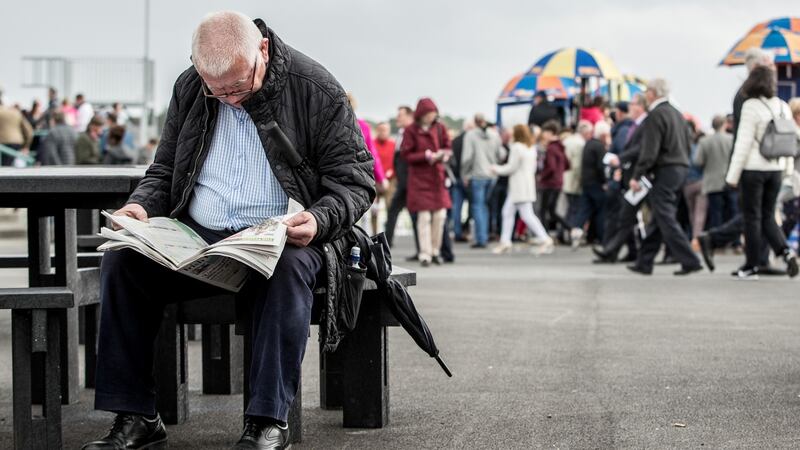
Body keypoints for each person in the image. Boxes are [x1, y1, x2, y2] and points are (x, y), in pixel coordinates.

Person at [81, 12, 375, 450]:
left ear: (262, 50)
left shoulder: (315, 88)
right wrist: (141, 207)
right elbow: (165, 169)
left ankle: (266, 422)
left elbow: (355, 181)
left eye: (238, 87)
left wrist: (317, 220)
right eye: (216, 91)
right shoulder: (190, 87)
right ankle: (136, 416)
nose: (230, 99)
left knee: (288, 268)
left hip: (287, 233)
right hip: (200, 232)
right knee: (122, 260)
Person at [724, 66, 800, 280]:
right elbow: (790, 139)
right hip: (776, 169)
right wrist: (785, 168)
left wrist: (732, 176)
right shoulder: (783, 106)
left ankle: (751, 265)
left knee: (752, 218)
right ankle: (785, 252)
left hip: (753, 169)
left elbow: (743, 143)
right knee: (768, 216)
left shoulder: (751, 106)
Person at [628, 78, 703, 276]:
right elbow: (688, 143)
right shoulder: (677, 114)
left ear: (652, 93)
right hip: (680, 168)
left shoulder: (656, 115)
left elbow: (649, 150)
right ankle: (644, 261)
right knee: (660, 216)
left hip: (666, 169)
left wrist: (638, 174)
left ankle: (690, 260)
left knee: (664, 215)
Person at [593, 93, 649, 263]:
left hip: (636, 177)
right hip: (630, 176)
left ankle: (613, 250)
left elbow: (638, 150)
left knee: (624, 216)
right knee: (626, 216)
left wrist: (619, 160)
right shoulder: (630, 127)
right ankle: (621, 251)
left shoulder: (630, 128)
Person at [401, 97, 452, 266]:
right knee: (423, 218)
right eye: (429, 113)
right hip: (420, 179)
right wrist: (426, 155)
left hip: (437, 177)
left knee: (440, 216)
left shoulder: (440, 128)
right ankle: (425, 253)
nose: (432, 116)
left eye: (434, 113)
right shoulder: (410, 130)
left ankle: (436, 251)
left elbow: (448, 146)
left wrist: (443, 154)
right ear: (422, 114)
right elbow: (406, 154)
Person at [490, 124, 553, 255]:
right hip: (527, 184)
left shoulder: (517, 147)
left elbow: (511, 167)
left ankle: (544, 238)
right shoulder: (531, 148)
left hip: (517, 186)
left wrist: (496, 169)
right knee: (510, 212)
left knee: (524, 214)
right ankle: (505, 241)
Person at [461, 113, 506, 248]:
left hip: (477, 174)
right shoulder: (494, 135)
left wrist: (465, 174)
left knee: (477, 206)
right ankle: (484, 236)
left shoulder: (470, 135)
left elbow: (467, 157)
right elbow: (502, 154)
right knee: (484, 206)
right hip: (492, 175)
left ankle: (481, 238)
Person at [570, 121, 611, 247]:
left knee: (585, 208)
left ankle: (577, 230)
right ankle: (602, 236)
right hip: (596, 183)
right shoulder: (599, 147)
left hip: (586, 182)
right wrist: (605, 182)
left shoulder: (588, 144)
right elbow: (601, 166)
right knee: (601, 210)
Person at [384, 105, 418, 253]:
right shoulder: (401, 133)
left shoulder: (412, 133)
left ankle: (386, 244)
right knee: (395, 211)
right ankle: (386, 243)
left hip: (409, 182)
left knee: (413, 215)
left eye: (400, 115)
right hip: (402, 181)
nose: (398, 118)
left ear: (410, 116)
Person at [693, 115, 733, 231]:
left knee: (716, 215)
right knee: (731, 213)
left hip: (712, 183)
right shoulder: (730, 140)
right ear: (724, 124)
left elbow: (698, 161)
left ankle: (716, 241)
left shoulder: (704, 141)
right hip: (729, 181)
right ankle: (734, 242)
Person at [537, 119, 571, 240]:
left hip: (548, 183)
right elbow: (567, 164)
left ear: (551, 133)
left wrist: (542, 177)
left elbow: (550, 167)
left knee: (543, 210)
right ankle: (571, 229)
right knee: (552, 211)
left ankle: (544, 236)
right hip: (558, 182)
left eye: (545, 132)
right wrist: (559, 173)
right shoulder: (561, 147)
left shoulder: (551, 148)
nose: (543, 135)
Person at [682, 121, 707, 245]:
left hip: (687, 183)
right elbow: (699, 162)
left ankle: (694, 237)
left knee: (692, 213)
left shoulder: (683, 147)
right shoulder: (697, 146)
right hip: (699, 181)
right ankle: (696, 238)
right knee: (699, 213)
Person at [449, 120, 475, 241]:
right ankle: (466, 228)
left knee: (456, 207)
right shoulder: (473, 141)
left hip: (456, 177)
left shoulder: (455, 141)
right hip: (469, 177)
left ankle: (458, 232)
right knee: (474, 206)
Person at [562, 121, 592, 226]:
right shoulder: (580, 144)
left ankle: (564, 232)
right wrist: (581, 180)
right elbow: (577, 166)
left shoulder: (568, 140)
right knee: (574, 208)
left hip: (564, 177)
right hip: (573, 180)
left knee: (569, 207)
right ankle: (568, 231)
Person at [0, 87, 33, 166]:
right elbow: (29, 131)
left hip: (3, 144)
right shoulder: (15, 112)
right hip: (16, 143)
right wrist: (26, 146)